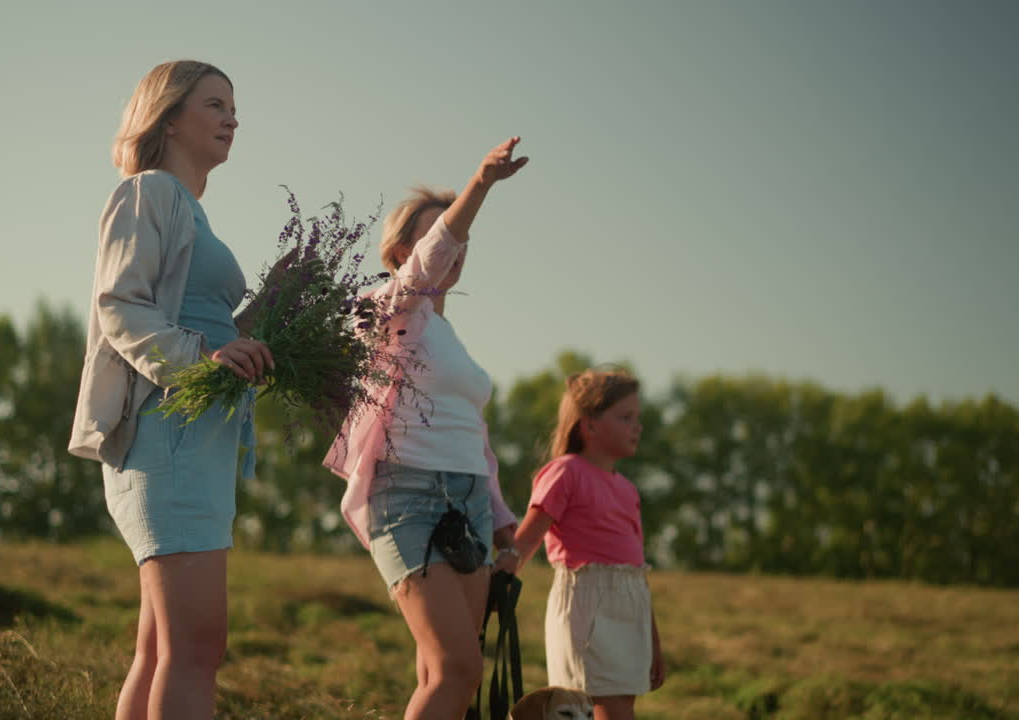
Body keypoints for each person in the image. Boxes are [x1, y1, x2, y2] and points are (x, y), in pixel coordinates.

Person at [68, 60, 280, 720]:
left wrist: (272, 314)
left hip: (199, 441)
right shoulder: (147, 193)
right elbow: (121, 306)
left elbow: (205, 328)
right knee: (195, 646)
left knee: (163, 649)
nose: (232, 118)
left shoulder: (188, 210)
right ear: (167, 117)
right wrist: (208, 356)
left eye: (234, 107)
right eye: (215, 105)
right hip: (169, 437)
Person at [324, 137, 529, 719]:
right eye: (442, 235)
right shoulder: (386, 310)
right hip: (408, 496)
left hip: (469, 506)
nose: (456, 246)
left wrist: (504, 519)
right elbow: (427, 266)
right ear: (401, 250)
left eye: (461, 237)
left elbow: (475, 437)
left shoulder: (452, 341)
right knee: (455, 669)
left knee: (450, 676)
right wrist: (481, 185)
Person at [510, 368, 667, 720]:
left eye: (637, 418)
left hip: (630, 606)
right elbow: (526, 540)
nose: (637, 426)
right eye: (625, 417)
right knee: (586, 707)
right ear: (589, 424)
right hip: (587, 606)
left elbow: (636, 570)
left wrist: (653, 642)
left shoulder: (628, 490)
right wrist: (492, 585)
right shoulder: (566, 472)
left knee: (621, 708)